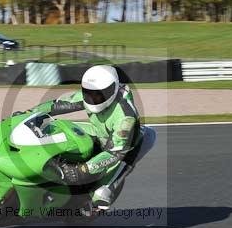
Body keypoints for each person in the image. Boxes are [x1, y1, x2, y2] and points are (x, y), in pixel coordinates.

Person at [17, 65, 155, 210]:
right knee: (59, 128)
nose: (93, 98)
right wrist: (29, 113)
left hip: (125, 148)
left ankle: (91, 206)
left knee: (102, 194)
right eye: (89, 93)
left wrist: (82, 170)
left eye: (98, 94)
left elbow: (114, 152)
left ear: (112, 90)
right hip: (100, 133)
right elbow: (58, 105)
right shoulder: (90, 95)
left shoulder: (126, 118)